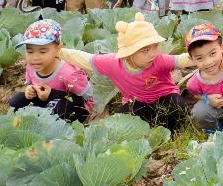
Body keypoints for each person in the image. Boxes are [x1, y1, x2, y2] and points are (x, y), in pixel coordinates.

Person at [58, 12, 198, 131]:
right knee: (122, 122)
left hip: (165, 98)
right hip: (137, 102)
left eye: (155, 47)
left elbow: (182, 60)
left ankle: (171, 131)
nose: (153, 54)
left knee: (176, 106)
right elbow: (86, 59)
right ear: (129, 53)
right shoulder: (113, 63)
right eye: (145, 50)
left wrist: (201, 57)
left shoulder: (159, 60)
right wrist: (59, 52)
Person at [7, 19, 92, 122]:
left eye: (42, 52)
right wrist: (30, 90)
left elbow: (86, 101)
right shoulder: (32, 66)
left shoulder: (70, 74)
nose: (35, 58)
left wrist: (53, 94)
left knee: (61, 108)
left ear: (57, 49)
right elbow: (30, 84)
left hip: (68, 107)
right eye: (30, 51)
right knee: (16, 101)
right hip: (45, 104)